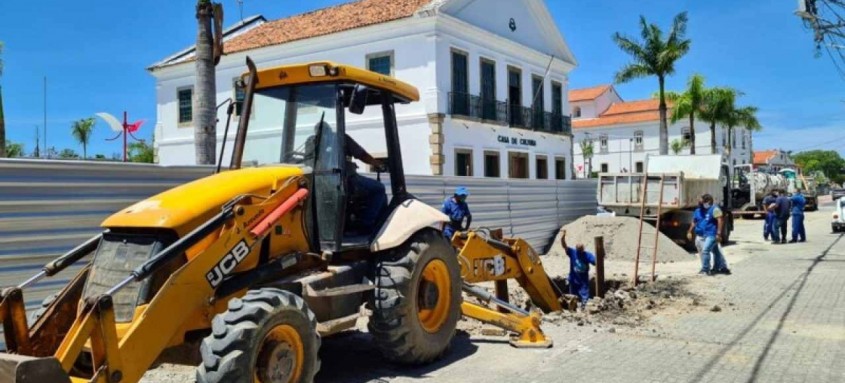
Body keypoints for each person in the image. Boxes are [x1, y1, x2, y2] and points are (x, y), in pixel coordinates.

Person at [304, 121, 387, 233]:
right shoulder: (341, 138)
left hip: (319, 184)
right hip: (345, 181)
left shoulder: (311, 142)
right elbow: (362, 155)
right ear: (329, 130)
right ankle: (365, 224)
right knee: (379, 189)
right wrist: (378, 164)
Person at [687, 193, 730, 275]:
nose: (700, 204)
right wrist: (689, 231)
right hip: (700, 234)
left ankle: (705, 269)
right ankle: (717, 268)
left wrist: (719, 233)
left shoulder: (715, 209)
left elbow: (720, 220)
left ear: (708, 201)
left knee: (705, 250)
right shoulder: (698, 210)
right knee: (716, 251)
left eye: (702, 202)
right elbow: (694, 221)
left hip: (711, 234)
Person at [559, 230, 596, 308]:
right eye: (578, 249)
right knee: (572, 298)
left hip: (583, 281)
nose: (579, 250)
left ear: (583, 249)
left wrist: (599, 256)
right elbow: (564, 246)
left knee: (584, 298)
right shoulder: (573, 252)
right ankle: (573, 309)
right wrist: (562, 238)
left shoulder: (587, 255)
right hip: (573, 280)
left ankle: (584, 307)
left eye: (581, 249)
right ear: (577, 248)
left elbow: (595, 262)